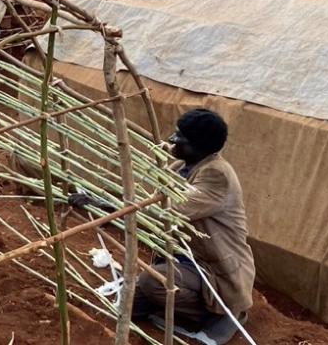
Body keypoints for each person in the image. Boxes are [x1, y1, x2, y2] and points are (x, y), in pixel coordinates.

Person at [70, 108, 255, 345]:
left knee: (151, 282)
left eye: (180, 139)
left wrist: (104, 206)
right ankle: (185, 303)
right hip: (183, 259)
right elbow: (145, 202)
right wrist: (101, 201)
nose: (172, 141)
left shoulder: (217, 175)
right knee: (132, 308)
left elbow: (163, 212)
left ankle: (219, 314)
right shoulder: (181, 167)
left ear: (199, 146)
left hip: (211, 269)